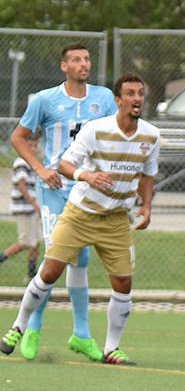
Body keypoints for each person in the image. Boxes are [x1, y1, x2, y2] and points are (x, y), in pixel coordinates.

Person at [0, 75, 157, 365]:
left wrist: (146, 206)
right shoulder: (95, 130)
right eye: (130, 93)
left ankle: (111, 348)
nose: (137, 99)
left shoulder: (151, 135)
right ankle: (18, 327)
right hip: (81, 212)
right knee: (50, 271)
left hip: (116, 218)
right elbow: (63, 164)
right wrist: (87, 175)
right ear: (117, 100)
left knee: (123, 281)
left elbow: (148, 175)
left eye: (141, 93)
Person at [7, 43, 116, 361]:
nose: (84, 64)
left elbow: (112, 137)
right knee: (56, 256)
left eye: (87, 59)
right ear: (63, 66)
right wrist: (40, 169)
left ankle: (81, 334)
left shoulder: (104, 98)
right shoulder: (45, 100)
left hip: (87, 190)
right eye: (77, 60)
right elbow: (18, 137)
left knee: (81, 258)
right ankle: (33, 327)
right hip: (55, 189)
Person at [1, 157, 41, 282]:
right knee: (25, 242)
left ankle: (31, 274)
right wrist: (35, 205)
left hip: (31, 209)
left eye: (35, 145)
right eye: (30, 144)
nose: (34, 148)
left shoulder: (31, 162)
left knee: (36, 242)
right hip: (24, 208)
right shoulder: (21, 162)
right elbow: (22, 187)